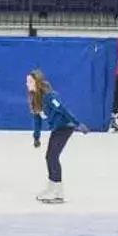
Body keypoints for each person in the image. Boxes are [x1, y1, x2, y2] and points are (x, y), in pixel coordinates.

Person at [28, 69, 83, 204]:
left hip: (65, 127)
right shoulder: (35, 98)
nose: (27, 84)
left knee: (52, 157)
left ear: (37, 82)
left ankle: (58, 192)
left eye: (30, 81)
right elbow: (37, 120)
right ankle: (52, 187)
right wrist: (36, 137)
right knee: (49, 157)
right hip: (57, 128)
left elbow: (63, 109)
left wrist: (78, 124)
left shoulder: (49, 96)